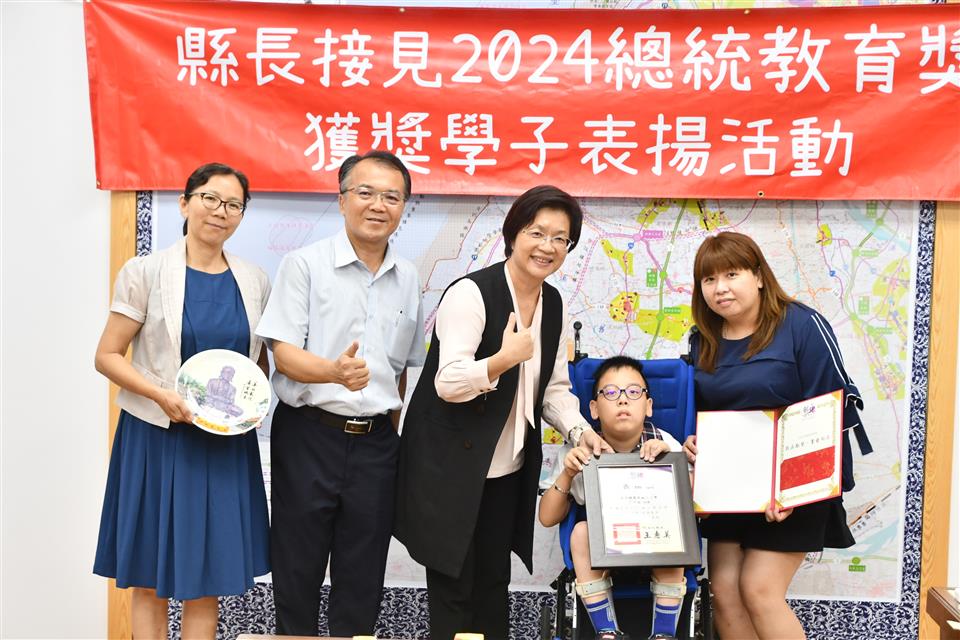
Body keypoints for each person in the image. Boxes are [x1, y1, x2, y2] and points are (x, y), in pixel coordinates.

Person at [394, 185, 612, 640]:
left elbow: (553, 389)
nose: (548, 246)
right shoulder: (470, 294)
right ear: (512, 235)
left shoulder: (553, 303)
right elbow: (447, 382)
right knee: (454, 588)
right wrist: (501, 360)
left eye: (560, 238)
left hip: (507, 470)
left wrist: (579, 430)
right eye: (537, 233)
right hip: (451, 467)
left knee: (494, 585)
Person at [93, 163, 271, 639]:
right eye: (210, 198)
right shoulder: (145, 272)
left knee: (207, 578)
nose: (220, 211)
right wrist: (159, 394)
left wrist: (253, 404)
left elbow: (258, 363)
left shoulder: (254, 279)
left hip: (222, 442)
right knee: (150, 575)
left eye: (233, 204)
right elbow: (107, 356)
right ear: (185, 203)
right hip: (156, 436)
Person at [255, 150, 425, 637]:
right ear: (343, 199)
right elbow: (283, 354)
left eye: (391, 196)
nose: (378, 205)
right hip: (310, 435)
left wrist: (387, 429)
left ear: (403, 206)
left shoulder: (408, 276)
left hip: (376, 444)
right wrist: (332, 371)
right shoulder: (305, 264)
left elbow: (399, 369)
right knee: (297, 566)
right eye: (365, 193)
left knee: (363, 574)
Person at [681, 231, 872, 640]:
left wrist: (794, 492)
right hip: (731, 490)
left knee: (759, 590)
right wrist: (693, 441)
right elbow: (699, 412)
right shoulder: (702, 339)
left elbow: (831, 409)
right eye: (709, 279)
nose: (720, 288)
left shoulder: (801, 324)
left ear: (759, 276)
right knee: (725, 594)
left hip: (796, 484)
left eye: (732, 274)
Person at [539, 356, 687, 640]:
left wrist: (671, 464)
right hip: (603, 550)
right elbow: (546, 517)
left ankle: (664, 634)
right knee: (581, 531)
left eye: (633, 391)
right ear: (593, 409)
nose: (622, 400)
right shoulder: (579, 452)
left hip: (655, 540)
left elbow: (692, 508)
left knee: (676, 532)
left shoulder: (666, 444)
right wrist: (568, 474)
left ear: (649, 405)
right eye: (610, 392)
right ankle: (606, 631)